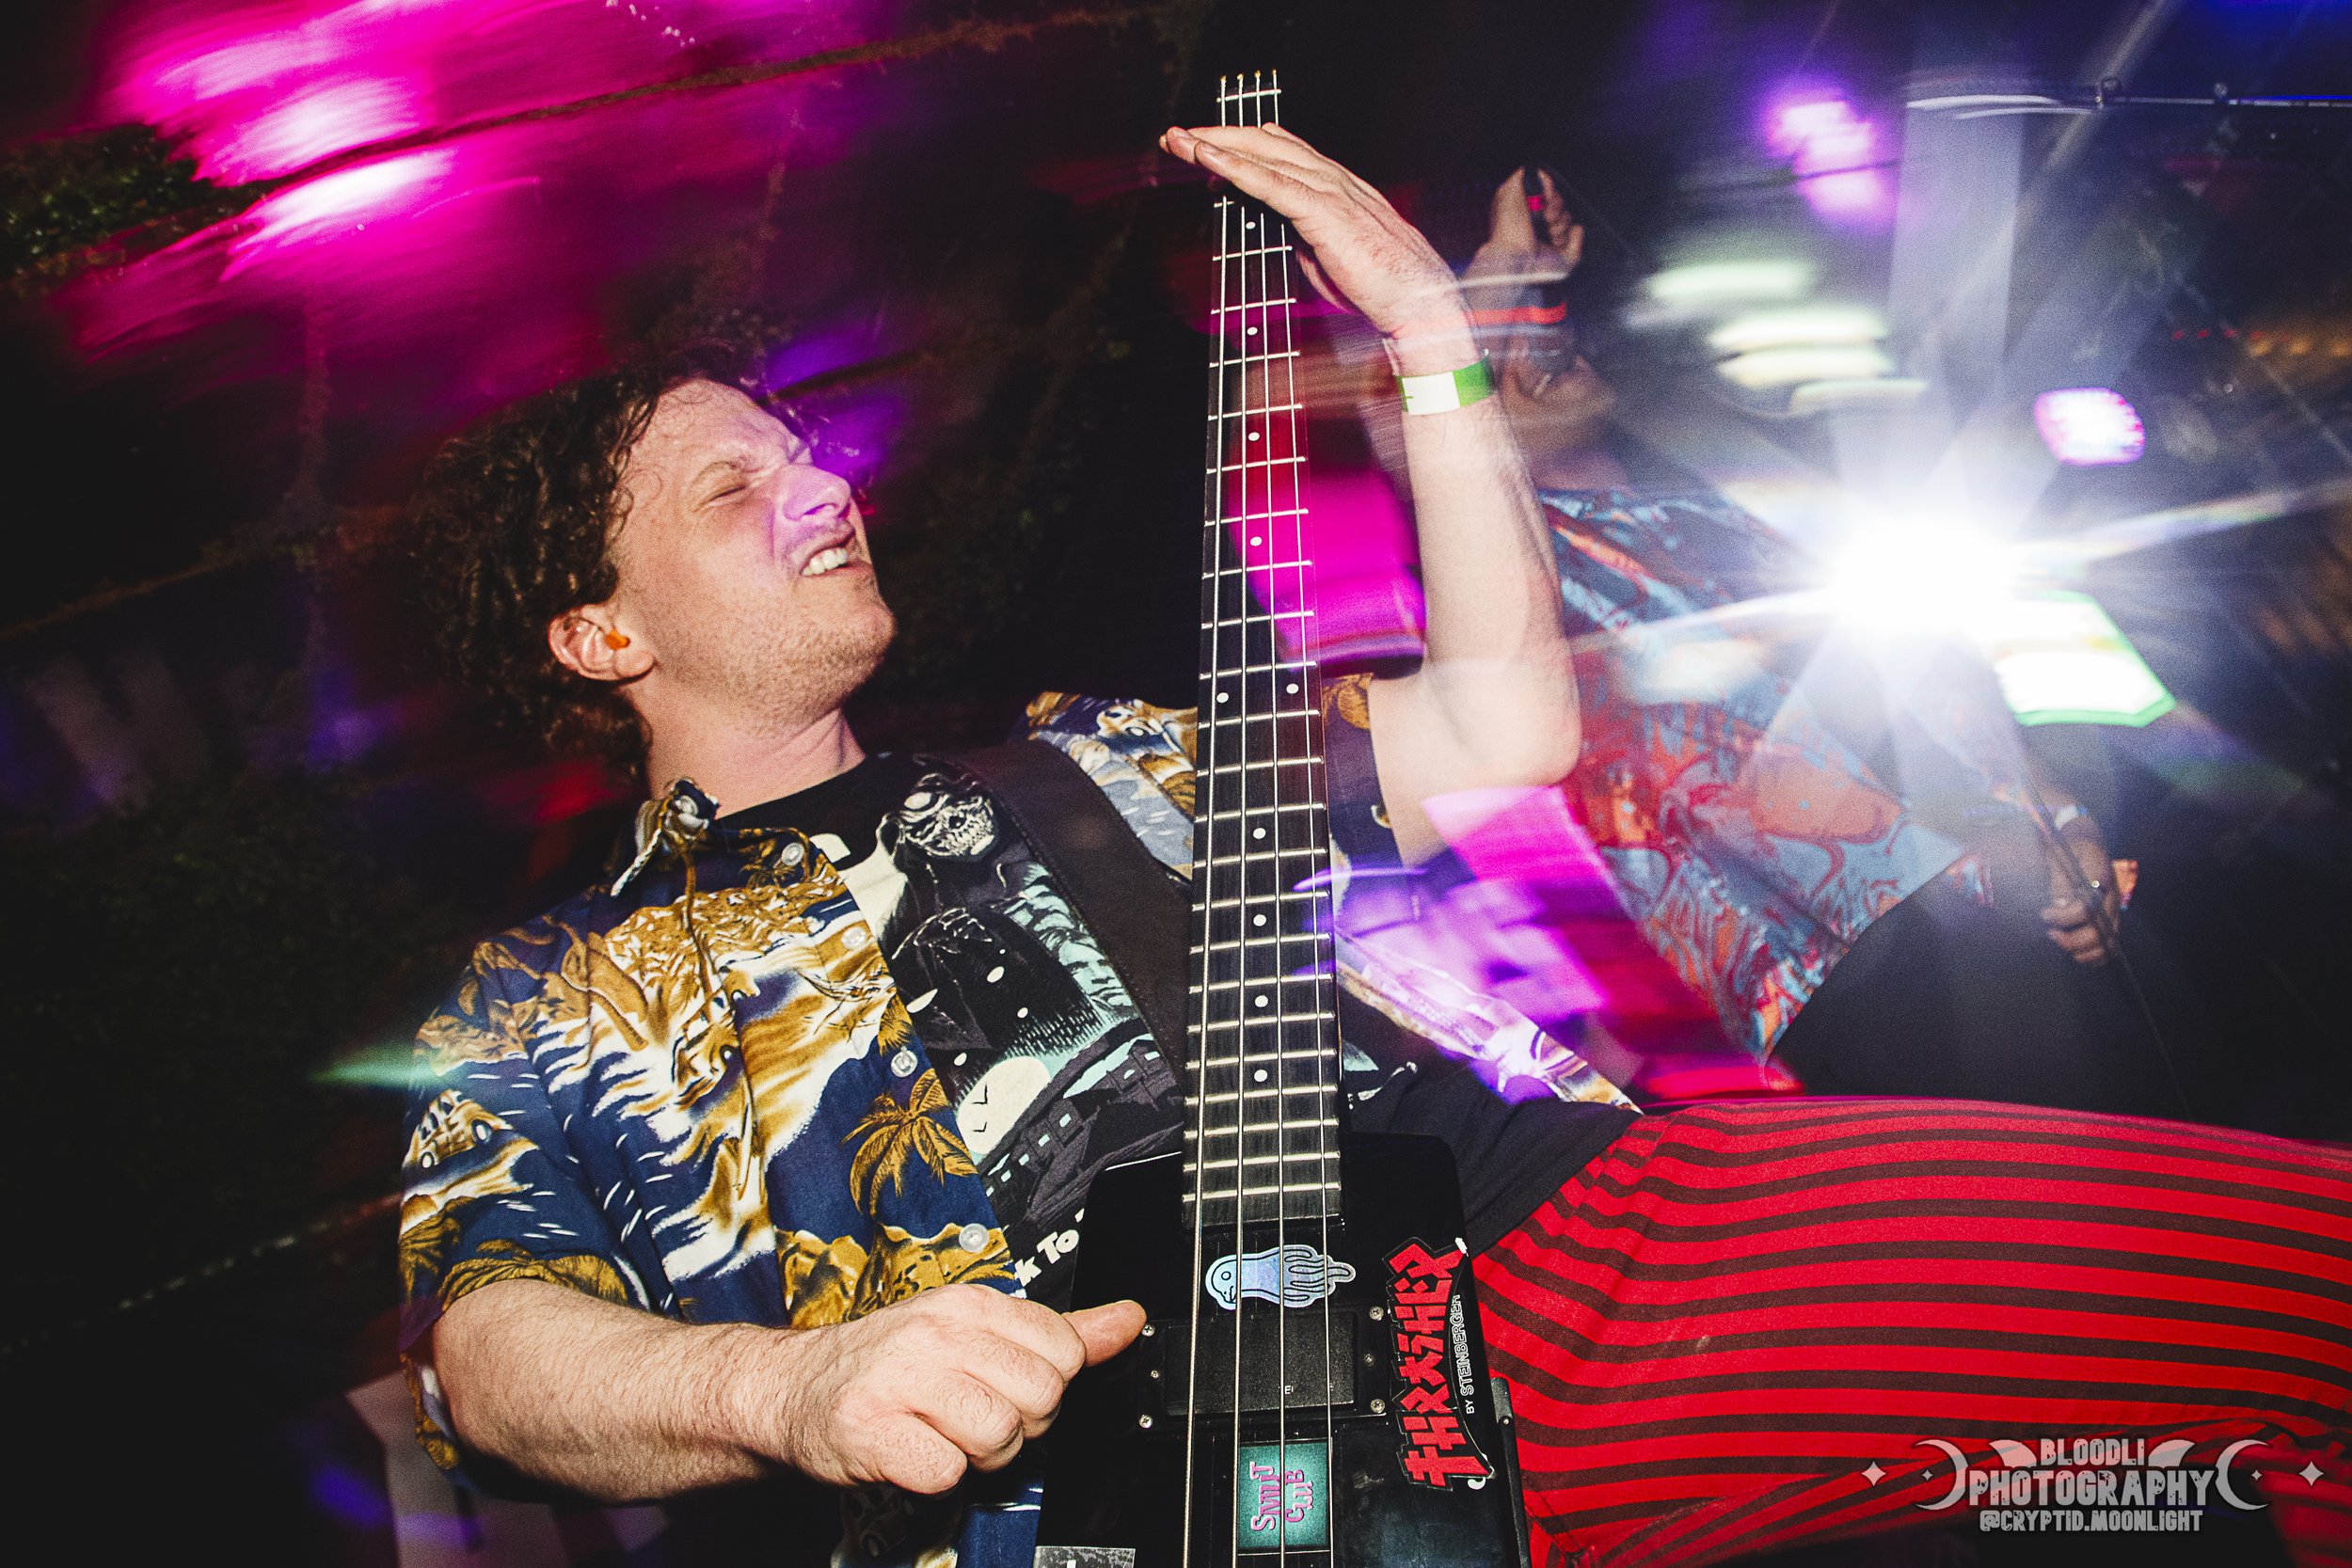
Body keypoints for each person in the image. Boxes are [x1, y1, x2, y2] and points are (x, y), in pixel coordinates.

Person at [400, 123, 2352, 1568]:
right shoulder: (552, 984)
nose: (820, 484)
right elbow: (491, 1360)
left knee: (2255, 1354)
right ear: (601, 632)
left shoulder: (1083, 747)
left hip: (1532, 1265)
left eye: (802, 446)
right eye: (736, 484)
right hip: (1099, 1504)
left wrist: (1430, 337)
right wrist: (794, 1386)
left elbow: (1500, 723)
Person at [1450, 166, 2176, 1115]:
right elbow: (1400, 415)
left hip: (2002, 925)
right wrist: (1492, 288)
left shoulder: (1733, 488)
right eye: (1501, 354)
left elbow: (1939, 681)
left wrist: (2064, 819)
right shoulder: (1508, 588)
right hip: (1829, 991)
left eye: (1541, 326)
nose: (1541, 347)